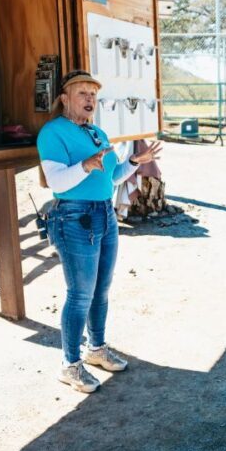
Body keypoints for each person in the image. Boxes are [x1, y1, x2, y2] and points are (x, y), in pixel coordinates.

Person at [37, 70, 162, 393]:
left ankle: (97, 348)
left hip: (104, 214)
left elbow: (113, 178)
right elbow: (57, 183)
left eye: (93, 94)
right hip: (75, 217)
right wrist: (85, 166)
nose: (90, 99)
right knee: (80, 294)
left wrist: (135, 160)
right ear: (64, 98)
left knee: (100, 290)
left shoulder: (96, 133)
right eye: (82, 93)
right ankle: (70, 365)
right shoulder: (53, 132)